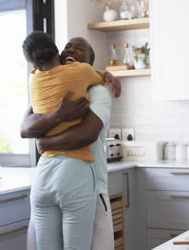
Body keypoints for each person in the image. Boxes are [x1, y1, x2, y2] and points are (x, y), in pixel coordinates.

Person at [21, 36, 120, 250]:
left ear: (90, 63)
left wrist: (46, 144)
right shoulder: (51, 85)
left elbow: (86, 134)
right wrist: (59, 114)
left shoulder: (98, 91)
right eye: (67, 47)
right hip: (58, 179)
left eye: (79, 48)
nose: (71, 50)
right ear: (57, 54)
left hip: (90, 185)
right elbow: (25, 128)